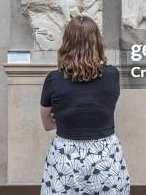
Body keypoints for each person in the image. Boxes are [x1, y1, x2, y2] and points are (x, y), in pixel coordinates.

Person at [39, 16, 130, 195]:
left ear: (66, 43)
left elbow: (47, 124)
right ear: (97, 41)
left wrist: (64, 119)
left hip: (65, 156)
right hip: (105, 155)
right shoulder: (112, 75)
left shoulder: (53, 79)